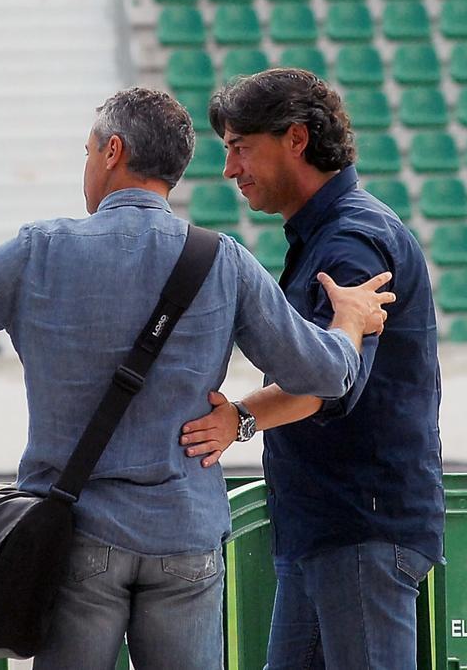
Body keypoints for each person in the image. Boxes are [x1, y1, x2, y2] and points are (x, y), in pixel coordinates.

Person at [0, 86, 396, 670]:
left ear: (112, 151)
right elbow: (325, 374)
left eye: (88, 151)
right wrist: (351, 321)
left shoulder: (44, 249)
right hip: (184, 530)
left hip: (76, 530)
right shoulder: (222, 260)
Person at [178, 68, 444, 669]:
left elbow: (329, 381)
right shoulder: (336, 232)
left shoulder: (349, 241)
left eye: (240, 148)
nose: (230, 170)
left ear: (295, 139)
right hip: (333, 526)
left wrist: (239, 420)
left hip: (357, 527)